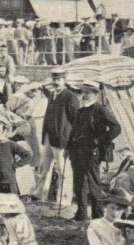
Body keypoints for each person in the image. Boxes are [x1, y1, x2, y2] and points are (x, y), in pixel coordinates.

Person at [67, 80, 122, 221]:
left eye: (88, 93)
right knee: (79, 183)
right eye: (83, 92)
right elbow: (73, 131)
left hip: (92, 152)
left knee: (93, 184)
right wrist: (68, 148)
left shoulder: (100, 110)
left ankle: (97, 216)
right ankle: (81, 214)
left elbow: (116, 127)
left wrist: (100, 140)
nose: (84, 95)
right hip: (77, 151)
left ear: (95, 94)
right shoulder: (80, 110)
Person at [36, 67, 79, 204]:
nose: (56, 82)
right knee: (45, 168)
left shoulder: (70, 97)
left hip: (61, 139)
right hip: (48, 137)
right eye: (54, 79)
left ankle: (64, 200)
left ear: (65, 80)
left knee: (63, 171)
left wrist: (70, 141)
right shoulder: (52, 95)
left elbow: (75, 121)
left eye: (59, 79)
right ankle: (41, 195)